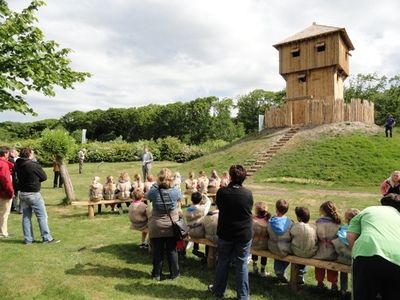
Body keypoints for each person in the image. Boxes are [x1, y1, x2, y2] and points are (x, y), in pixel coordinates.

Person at [208, 164, 253, 300]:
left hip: (227, 233)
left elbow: (221, 206)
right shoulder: (247, 193)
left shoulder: (222, 192)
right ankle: (243, 296)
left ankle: (218, 291)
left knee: (223, 261)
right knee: (241, 264)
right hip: (242, 233)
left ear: (230, 177)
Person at [347, 193, 400, 300]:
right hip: (397, 259)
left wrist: (357, 252)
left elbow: (351, 235)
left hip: (367, 254)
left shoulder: (368, 210)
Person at [15, 148, 59, 244]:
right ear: (29, 154)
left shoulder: (17, 164)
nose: (34, 155)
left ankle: (28, 239)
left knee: (26, 217)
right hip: (33, 193)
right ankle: (47, 238)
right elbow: (44, 177)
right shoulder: (33, 165)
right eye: (33, 153)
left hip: (22, 193)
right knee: (42, 216)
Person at [146, 168, 182, 281]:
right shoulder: (175, 190)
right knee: (172, 250)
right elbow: (179, 198)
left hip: (157, 224)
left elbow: (147, 196)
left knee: (158, 251)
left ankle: (156, 274)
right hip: (172, 225)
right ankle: (174, 274)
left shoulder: (154, 191)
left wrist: (156, 184)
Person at [313, 201, 341, 291]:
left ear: (323, 211)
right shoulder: (337, 222)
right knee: (332, 267)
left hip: (321, 250)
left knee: (319, 266)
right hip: (333, 250)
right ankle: (334, 284)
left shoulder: (319, 222)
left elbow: (317, 235)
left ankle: (319, 283)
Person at [332, 208, 360, 296]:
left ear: (347, 220)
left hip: (343, 258)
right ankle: (355, 291)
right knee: (356, 275)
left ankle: (343, 290)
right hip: (355, 259)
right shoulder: (361, 230)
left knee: (343, 273)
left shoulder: (342, 229)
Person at [267, 199, 293, 283]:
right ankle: (280, 270)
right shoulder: (290, 223)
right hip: (286, 248)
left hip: (272, 247)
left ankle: (278, 270)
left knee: (278, 253)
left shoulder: (270, 221)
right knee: (289, 253)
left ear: (276, 209)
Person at [290, 207, 318, 284]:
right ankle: (301, 273)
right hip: (310, 253)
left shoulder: (295, 226)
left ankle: (299, 273)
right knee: (305, 249)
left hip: (296, 251)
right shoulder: (313, 227)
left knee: (299, 249)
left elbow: (291, 236)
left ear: (298, 217)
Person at [184, 192, 211, 258]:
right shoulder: (202, 209)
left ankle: (195, 248)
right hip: (200, 232)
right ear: (201, 200)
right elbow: (209, 202)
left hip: (190, 231)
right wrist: (203, 195)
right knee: (209, 235)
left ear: (191, 199)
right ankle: (207, 255)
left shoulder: (188, 209)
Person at [251, 202, 271, 277]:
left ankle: (254, 267)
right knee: (264, 255)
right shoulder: (268, 221)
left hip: (254, 244)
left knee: (254, 250)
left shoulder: (253, 221)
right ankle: (263, 270)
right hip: (264, 245)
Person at [0, 146, 14, 238]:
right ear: (5, 154)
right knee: (4, 213)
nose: (9, 155)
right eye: (8, 153)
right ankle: (3, 232)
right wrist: (11, 192)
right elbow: (6, 180)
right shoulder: (3, 164)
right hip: (3, 193)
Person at [8, 147, 20, 213]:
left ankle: (13, 206)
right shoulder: (11, 160)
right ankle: (13, 207)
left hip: (12, 178)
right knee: (14, 193)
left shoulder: (9, 159)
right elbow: (15, 169)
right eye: (14, 152)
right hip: (13, 179)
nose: (16, 154)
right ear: (11, 152)